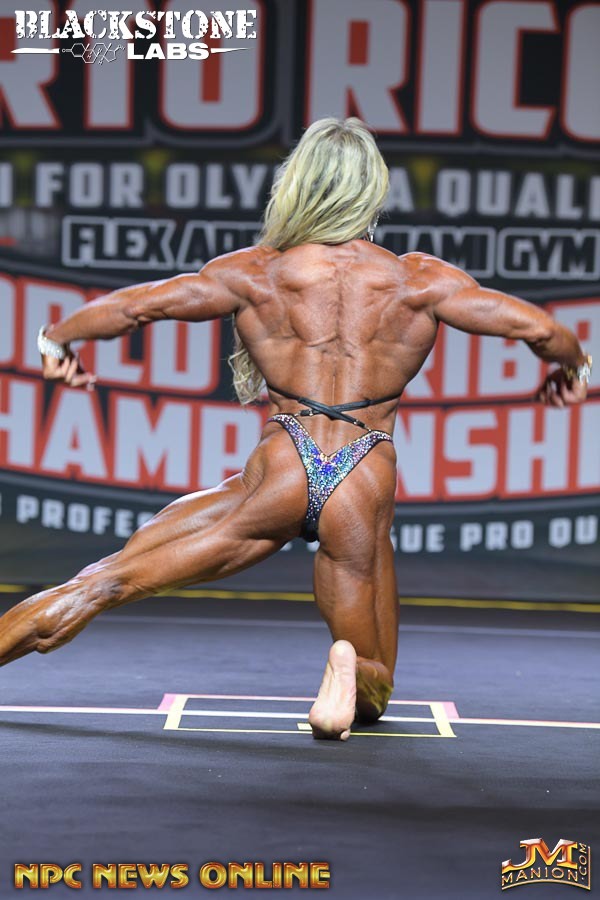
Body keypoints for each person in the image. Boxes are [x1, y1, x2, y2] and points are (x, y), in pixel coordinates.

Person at [0, 118, 591, 741]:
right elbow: (539, 330)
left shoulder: (258, 273)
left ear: (298, 186)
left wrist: (57, 341)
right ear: (372, 191)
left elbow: (141, 304)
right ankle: (345, 673)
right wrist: (572, 367)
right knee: (375, 685)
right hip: (362, 475)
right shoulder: (418, 281)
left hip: (282, 467)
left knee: (106, 580)